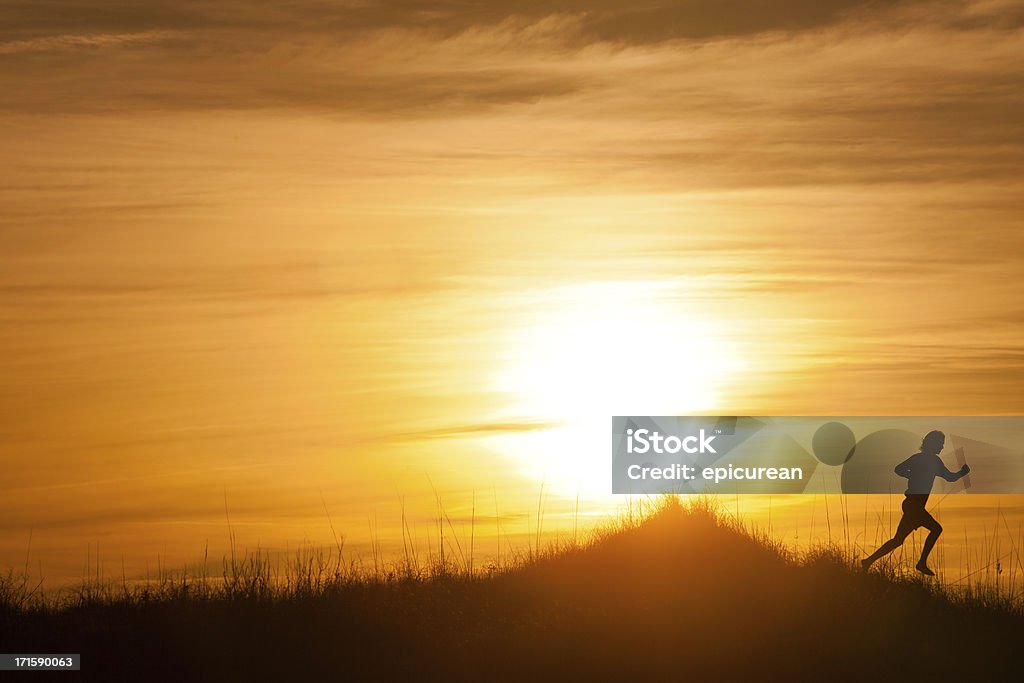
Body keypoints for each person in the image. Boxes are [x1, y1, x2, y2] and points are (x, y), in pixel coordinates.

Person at [861, 430, 970, 576]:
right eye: (940, 444)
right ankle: (921, 563)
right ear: (933, 444)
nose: (942, 447)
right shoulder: (934, 461)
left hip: (911, 505)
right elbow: (950, 477)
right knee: (936, 529)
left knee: (898, 540)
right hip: (914, 506)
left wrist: (912, 475)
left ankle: (868, 561)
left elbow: (898, 469)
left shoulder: (918, 458)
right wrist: (962, 473)